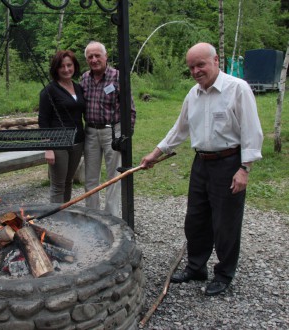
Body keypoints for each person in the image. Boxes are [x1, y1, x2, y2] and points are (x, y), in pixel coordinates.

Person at [140, 43, 263, 296]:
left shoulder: (237, 89)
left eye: (200, 64)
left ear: (216, 61)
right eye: (191, 67)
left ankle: (224, 274)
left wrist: (244, 169)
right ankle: (197, 267)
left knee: (225, 223)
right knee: (195, 219)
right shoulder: (193, 94)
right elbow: (179, 129)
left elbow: (252, 131)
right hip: (201, 164)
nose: (196, 71)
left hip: (229, 163)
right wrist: (155, 154)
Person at [80, 41, 136, 217]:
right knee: (90, 177)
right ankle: (93, 215)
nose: (94, 59)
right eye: (90, 56)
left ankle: (111, 216)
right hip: (90, 131)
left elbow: (130, 108)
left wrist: (127, 133)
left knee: (114, 176)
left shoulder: (117, 76)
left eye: (97, 55)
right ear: (87, 59)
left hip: (112, 132)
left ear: (106, 57)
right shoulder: (84, 79)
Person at [39, 50, 85, 203]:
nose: (66, 69)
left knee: (68, 181)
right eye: (62, 66)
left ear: (74, 66)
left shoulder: (78, 88)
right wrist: (48, 148)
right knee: (58, 184)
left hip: (77, 141)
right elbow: (43, 121)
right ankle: (55, 219)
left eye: (69, 65)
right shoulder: (49, 91)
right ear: (56, 69)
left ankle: (66, 214)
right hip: (58, 142)